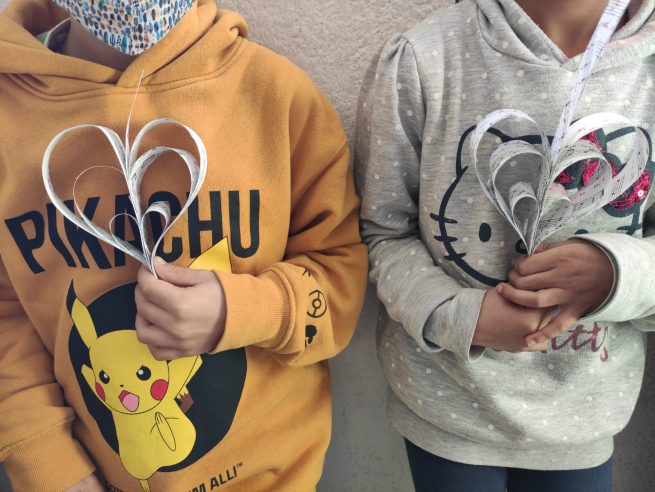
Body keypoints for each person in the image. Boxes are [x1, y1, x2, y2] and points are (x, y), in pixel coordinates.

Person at [0, 1, 367, 490]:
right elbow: (7, 319)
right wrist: (47, 463)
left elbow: (340, 281)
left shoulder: (279, 97)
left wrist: (240, 311)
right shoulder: (8, 120)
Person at [356, 0, 655, 490]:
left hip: (582, 421)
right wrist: (460, 317)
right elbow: (383, 231)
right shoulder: (424, 59)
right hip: (447, 410)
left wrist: (615, 275)